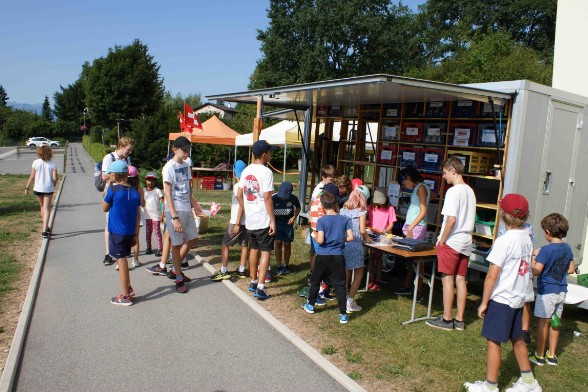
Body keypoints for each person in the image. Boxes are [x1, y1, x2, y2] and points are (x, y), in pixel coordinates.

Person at [464, 194, 541, 392]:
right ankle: (529, 383)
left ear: (503, 214)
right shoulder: (527, 237)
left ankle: (490, 386)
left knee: (493, 341)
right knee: (517, 338)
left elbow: (491, 276)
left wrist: (483, 302)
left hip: (503, 297)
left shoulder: (504, 241)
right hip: (518, 297)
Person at [426, 157, 475, 331]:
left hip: (452, 240)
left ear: (453, 170)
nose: (444, 177)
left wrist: (442, 239)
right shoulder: (469, 190)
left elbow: (451, 219)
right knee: (461, 280)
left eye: (445, 173)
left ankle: (447, 319)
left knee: (447, 280)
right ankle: (460, 319)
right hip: (466, 240)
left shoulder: (453, 192)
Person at [529, 213, 575, 367]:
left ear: (547, 232)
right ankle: (552, 355)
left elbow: (537, 271)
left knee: (544, 323)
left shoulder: (546, 251)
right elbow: (571, 269)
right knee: (555, 322)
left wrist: (533, 257)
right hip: (561, 291)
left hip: (547, 291)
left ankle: (539, 355)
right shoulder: (567, 248)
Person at [302, 191, 354, 324]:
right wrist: (340, 239)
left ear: (322, 205)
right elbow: (351, 237)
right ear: (335, 204)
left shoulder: (322, 220)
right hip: (338, 256)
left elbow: (320, 240)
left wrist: (314, 235)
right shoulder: (343, 219)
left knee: (315, 280)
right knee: (340, 285)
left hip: (323, 256)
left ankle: (311, 305)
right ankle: (343, 314)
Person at [235, 140, 277, 300]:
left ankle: (253, 281)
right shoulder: (266, 172)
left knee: (254, 249)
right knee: (266, 251)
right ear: (264, 154)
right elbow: (267, 197)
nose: (271, 154)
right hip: (263, 218)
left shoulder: (246, 171)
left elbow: (239, 194)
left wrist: (247, 207)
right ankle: (260, 286)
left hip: (251, 219)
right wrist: (272, 220)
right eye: (270, 152)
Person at [102, 160, 141, 306]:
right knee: (123, 259)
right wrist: (136, 234)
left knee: (122, 262)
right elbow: (137, 215)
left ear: (114, 175)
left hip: (117, 232)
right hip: (130, 231)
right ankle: (128, 288)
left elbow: (104, 208)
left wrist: (108, 190)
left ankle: (125, 297)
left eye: (110, 173)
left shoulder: (113, 190)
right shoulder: (135, 192)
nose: (108, 175)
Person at [161, 136, 198, 294]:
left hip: (186, 208)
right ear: (175, 149)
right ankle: (178, 278)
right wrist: (174, 217)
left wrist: (194, 204)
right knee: (176, 245)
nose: (187, 154)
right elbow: (167, 193)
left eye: (188, 151)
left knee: (193, 239)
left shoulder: (187, 164)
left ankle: (175, 269)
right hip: (174, 210)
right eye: (184, 150)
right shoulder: (168, 167)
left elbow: (187, 189)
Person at [497, 221, 537, 344]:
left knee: (524, 301)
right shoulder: (507, 227)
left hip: (522, 269)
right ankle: (510, 327)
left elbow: (532, 248)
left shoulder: (527, 227)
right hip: (516, 269)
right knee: (512, 298)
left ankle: (524, 331)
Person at [394, 168, 430, 299]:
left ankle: (418, 292)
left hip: (416, 228)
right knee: (412, 260)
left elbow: (423, 210)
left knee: (417, 260)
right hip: (413, 227)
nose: (405, 186)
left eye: (404, 183)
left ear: (408, 178)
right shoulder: (421, 188)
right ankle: (407, 286)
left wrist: (411, 228)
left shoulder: (421, 188)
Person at [211, 160, 249, 281]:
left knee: (225, 243)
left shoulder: (238, 187)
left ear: (234, 173)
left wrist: (237, 222)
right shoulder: (249, 185)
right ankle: (241, 269)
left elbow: (240, 206)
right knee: (244, 245)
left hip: (237, 221)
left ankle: (224, 270)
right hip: (248, 222)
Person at [101, 136, 135, 266]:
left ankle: (121, 249)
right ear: (121, 146)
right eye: (128, 149)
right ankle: (109, 253)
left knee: (122, 220)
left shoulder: (127, 159)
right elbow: (104, 175)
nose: (130, 152)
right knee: (110, 221)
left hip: (124, 193)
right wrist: (116, 175)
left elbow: (129, 172)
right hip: (112, 192)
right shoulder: (109, 158)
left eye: (131, 150)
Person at [340, 187, 371, 313]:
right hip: (356, 244)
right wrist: (368, 239)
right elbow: (363, 230)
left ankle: (343, 297)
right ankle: (350, 301)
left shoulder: (343, 209)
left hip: (344, 243)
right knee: (358, 273)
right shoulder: (361, 211)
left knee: (346, 271)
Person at [367, 187, 397, 291]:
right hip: (372, 234)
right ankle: (370, 279)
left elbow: (391, 223)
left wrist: (385, 230)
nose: (379, 204)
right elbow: (368, 220)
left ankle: (377, 280)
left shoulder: (390, 209)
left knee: (379, 258)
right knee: (371, 257)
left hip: (382, 236)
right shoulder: (371, 207)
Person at [25, 145, 57, 238]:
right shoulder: (52, 163)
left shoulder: (35, 162)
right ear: (50, 153)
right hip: (48, 188)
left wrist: (27, 188)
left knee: (42, 207)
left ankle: (46, 226)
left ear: (39, 153)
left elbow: (32, 176)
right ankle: (44, 230)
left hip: (38, 188)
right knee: (47, 208)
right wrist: (54, 184)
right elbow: (54, 178)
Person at [272, 181, 301, 275]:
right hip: (277, 224)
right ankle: (279, 265)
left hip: (288, 225)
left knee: (287, 244)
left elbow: (298, 208)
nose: (282, 197)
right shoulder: (274, 198)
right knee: (278, 243)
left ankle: (286, 265)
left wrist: (294, 217)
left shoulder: (293, 198)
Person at [126, 166, 144, 268]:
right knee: (136, 238)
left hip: (125, 217)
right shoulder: (139, 189)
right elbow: (142, 204)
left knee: (123, 237)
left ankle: (120, 262)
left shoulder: (123, 188)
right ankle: (135, 260)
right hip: (137, 216)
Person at [143, 172, 164, 257]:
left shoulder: (157, 191)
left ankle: (160, 248)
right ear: (146, 181)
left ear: (155, 181)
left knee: (157, 232)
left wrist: (162, 214)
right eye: (148, 180)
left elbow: (163, 202)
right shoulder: (144, 191)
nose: (150, 182)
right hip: (147, 214)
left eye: (152, 180)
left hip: (156, 215)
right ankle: (148, 247)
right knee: (148, 232)